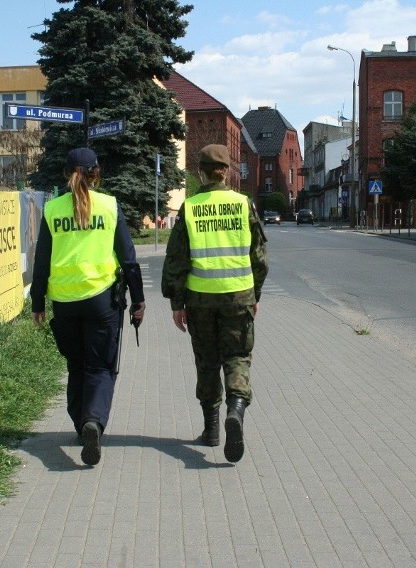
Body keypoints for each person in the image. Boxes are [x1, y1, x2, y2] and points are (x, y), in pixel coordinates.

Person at [30, 147, 145, 466]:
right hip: (101, 300)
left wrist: (37, 302)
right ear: (97, 173)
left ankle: (81, 425)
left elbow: (41, 262)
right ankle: (93, 420)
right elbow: (129, 257)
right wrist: (138, 300)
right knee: (100, 366)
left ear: (67, 174)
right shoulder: (109, 206)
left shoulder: (52, 209)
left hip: (64, 302)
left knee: (76, 366)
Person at [161, 144, 268, 463]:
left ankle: (211, 432)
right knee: (237, 356)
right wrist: (256, 294)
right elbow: (260, 257)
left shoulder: (190, 208)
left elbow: (176, 260)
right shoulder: (243, 204)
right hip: (239, 296)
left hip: (200, 299)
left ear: (200, 172)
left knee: (206, 361)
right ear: (228, 172)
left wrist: (176, 302)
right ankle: (235, 411)